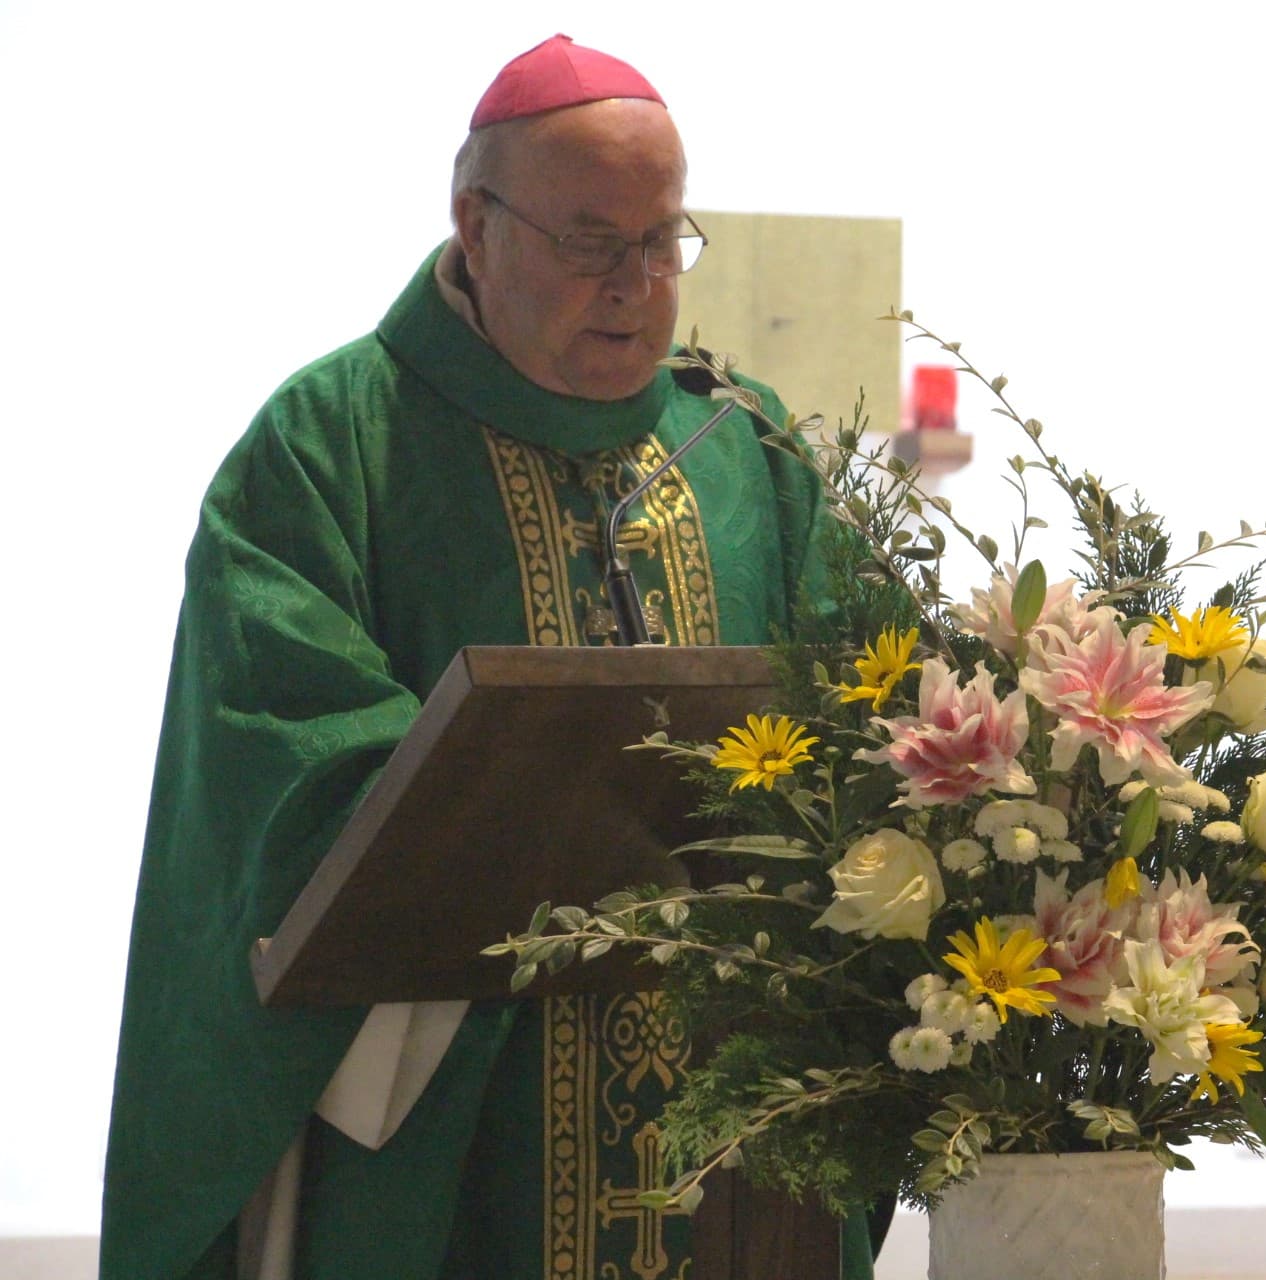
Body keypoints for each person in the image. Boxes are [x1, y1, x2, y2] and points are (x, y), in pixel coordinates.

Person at [102, 34, 867, 1280]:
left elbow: (863, 707)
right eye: (589, 241)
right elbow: (278, 750)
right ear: (475, 218)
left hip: (732, 1127)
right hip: (446, 1112)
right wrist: (525, 809)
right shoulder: (333, 441)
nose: (634, 283)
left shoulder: (745, 444)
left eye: (662, 239)